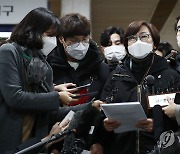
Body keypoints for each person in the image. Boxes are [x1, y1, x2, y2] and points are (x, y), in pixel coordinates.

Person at [0, 7, 101, 153]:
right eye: (49, 35)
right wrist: (57, 96)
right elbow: (15, 97)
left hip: (35, 143)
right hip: (9, 141)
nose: (53, 41)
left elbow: (50, 112)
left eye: (55, 36)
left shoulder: (44, 65)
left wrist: (89, 107)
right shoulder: (9, 52)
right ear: (32, 30)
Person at [94, 20, 180, 154]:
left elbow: (177, 118)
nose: (138, 42)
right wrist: (104, 125)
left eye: (144, 36)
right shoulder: (116, 76)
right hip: (120, 148)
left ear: (154, 44)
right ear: (127, 45)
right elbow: (102, 110)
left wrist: (157, 125)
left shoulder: (170, 76)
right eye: (132, 38)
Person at [47, 13, 110, 106]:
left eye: (84, 39)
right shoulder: (48, 67)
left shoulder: (102, 69)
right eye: (74, 41)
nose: (80, 45)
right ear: (61, 39)